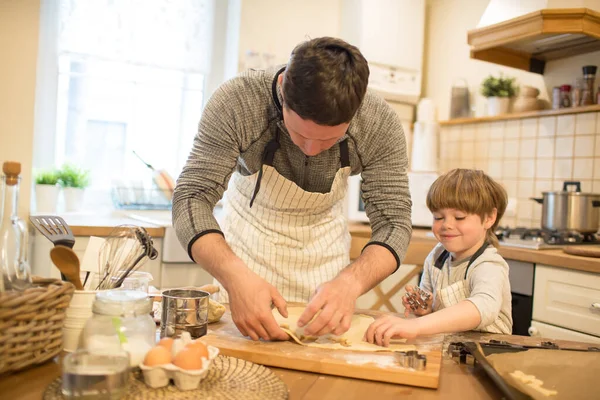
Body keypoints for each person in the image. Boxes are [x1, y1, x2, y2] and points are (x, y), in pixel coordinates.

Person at [172, 37, 412, 342]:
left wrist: (350, 283)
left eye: (328, 141)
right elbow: (191, 196)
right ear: (283, 87)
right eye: (299, 133)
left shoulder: (379, 123)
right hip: (245, 255)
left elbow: (394, 223)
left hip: (324, 263)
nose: (311, 150)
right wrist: (234, 277)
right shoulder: (238, 101)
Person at [365, 169, 512, 347]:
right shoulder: (436, 257)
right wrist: (425, 308)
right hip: (451, 348)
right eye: (438, 217)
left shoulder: (488, 264)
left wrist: (416, 325)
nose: (447, 225)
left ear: (489, 218)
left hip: (488, 354)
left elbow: (483, 307)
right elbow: (432, 311)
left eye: (459, 217)